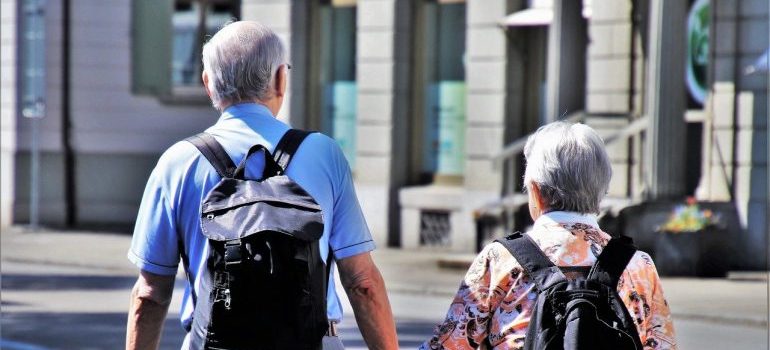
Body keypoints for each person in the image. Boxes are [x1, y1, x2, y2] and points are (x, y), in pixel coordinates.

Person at [125, 21, 398, 350]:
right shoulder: (324, 154)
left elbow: (150, 295)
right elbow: (362, 283)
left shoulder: (178, 163)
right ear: (281, 78)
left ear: (208, 83)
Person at [420, 121, 677, 349]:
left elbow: (451, 343)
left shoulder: (501, 259)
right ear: (601, 190)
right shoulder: (638, 265)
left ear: (535, 191)